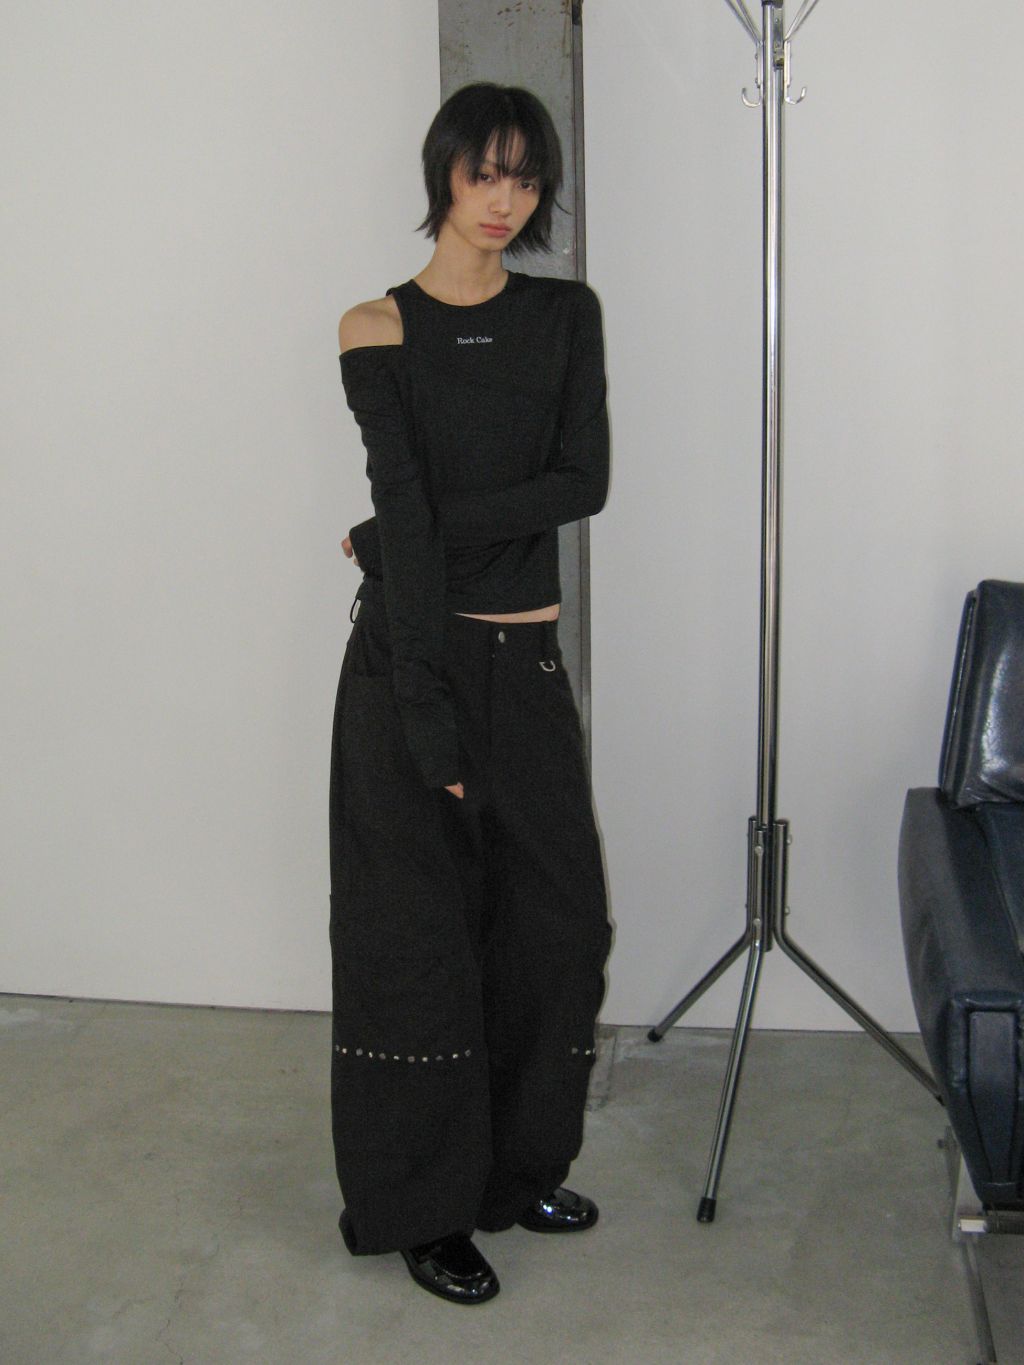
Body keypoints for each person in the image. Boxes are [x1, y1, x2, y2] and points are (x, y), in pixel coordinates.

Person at [329, 81, 612, 1306]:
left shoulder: (564, 315)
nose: (504, 200)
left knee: (557, 932)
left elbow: (580, 483)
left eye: (525, 178)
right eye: (483, 172)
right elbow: (400, 497)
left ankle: (515, 1171)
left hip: (525, 669)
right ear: (442, 173)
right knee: (416, 949)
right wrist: (427, 715)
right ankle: (423, 1210)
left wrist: (398, 539)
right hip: (413, 663)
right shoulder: (374, 326)